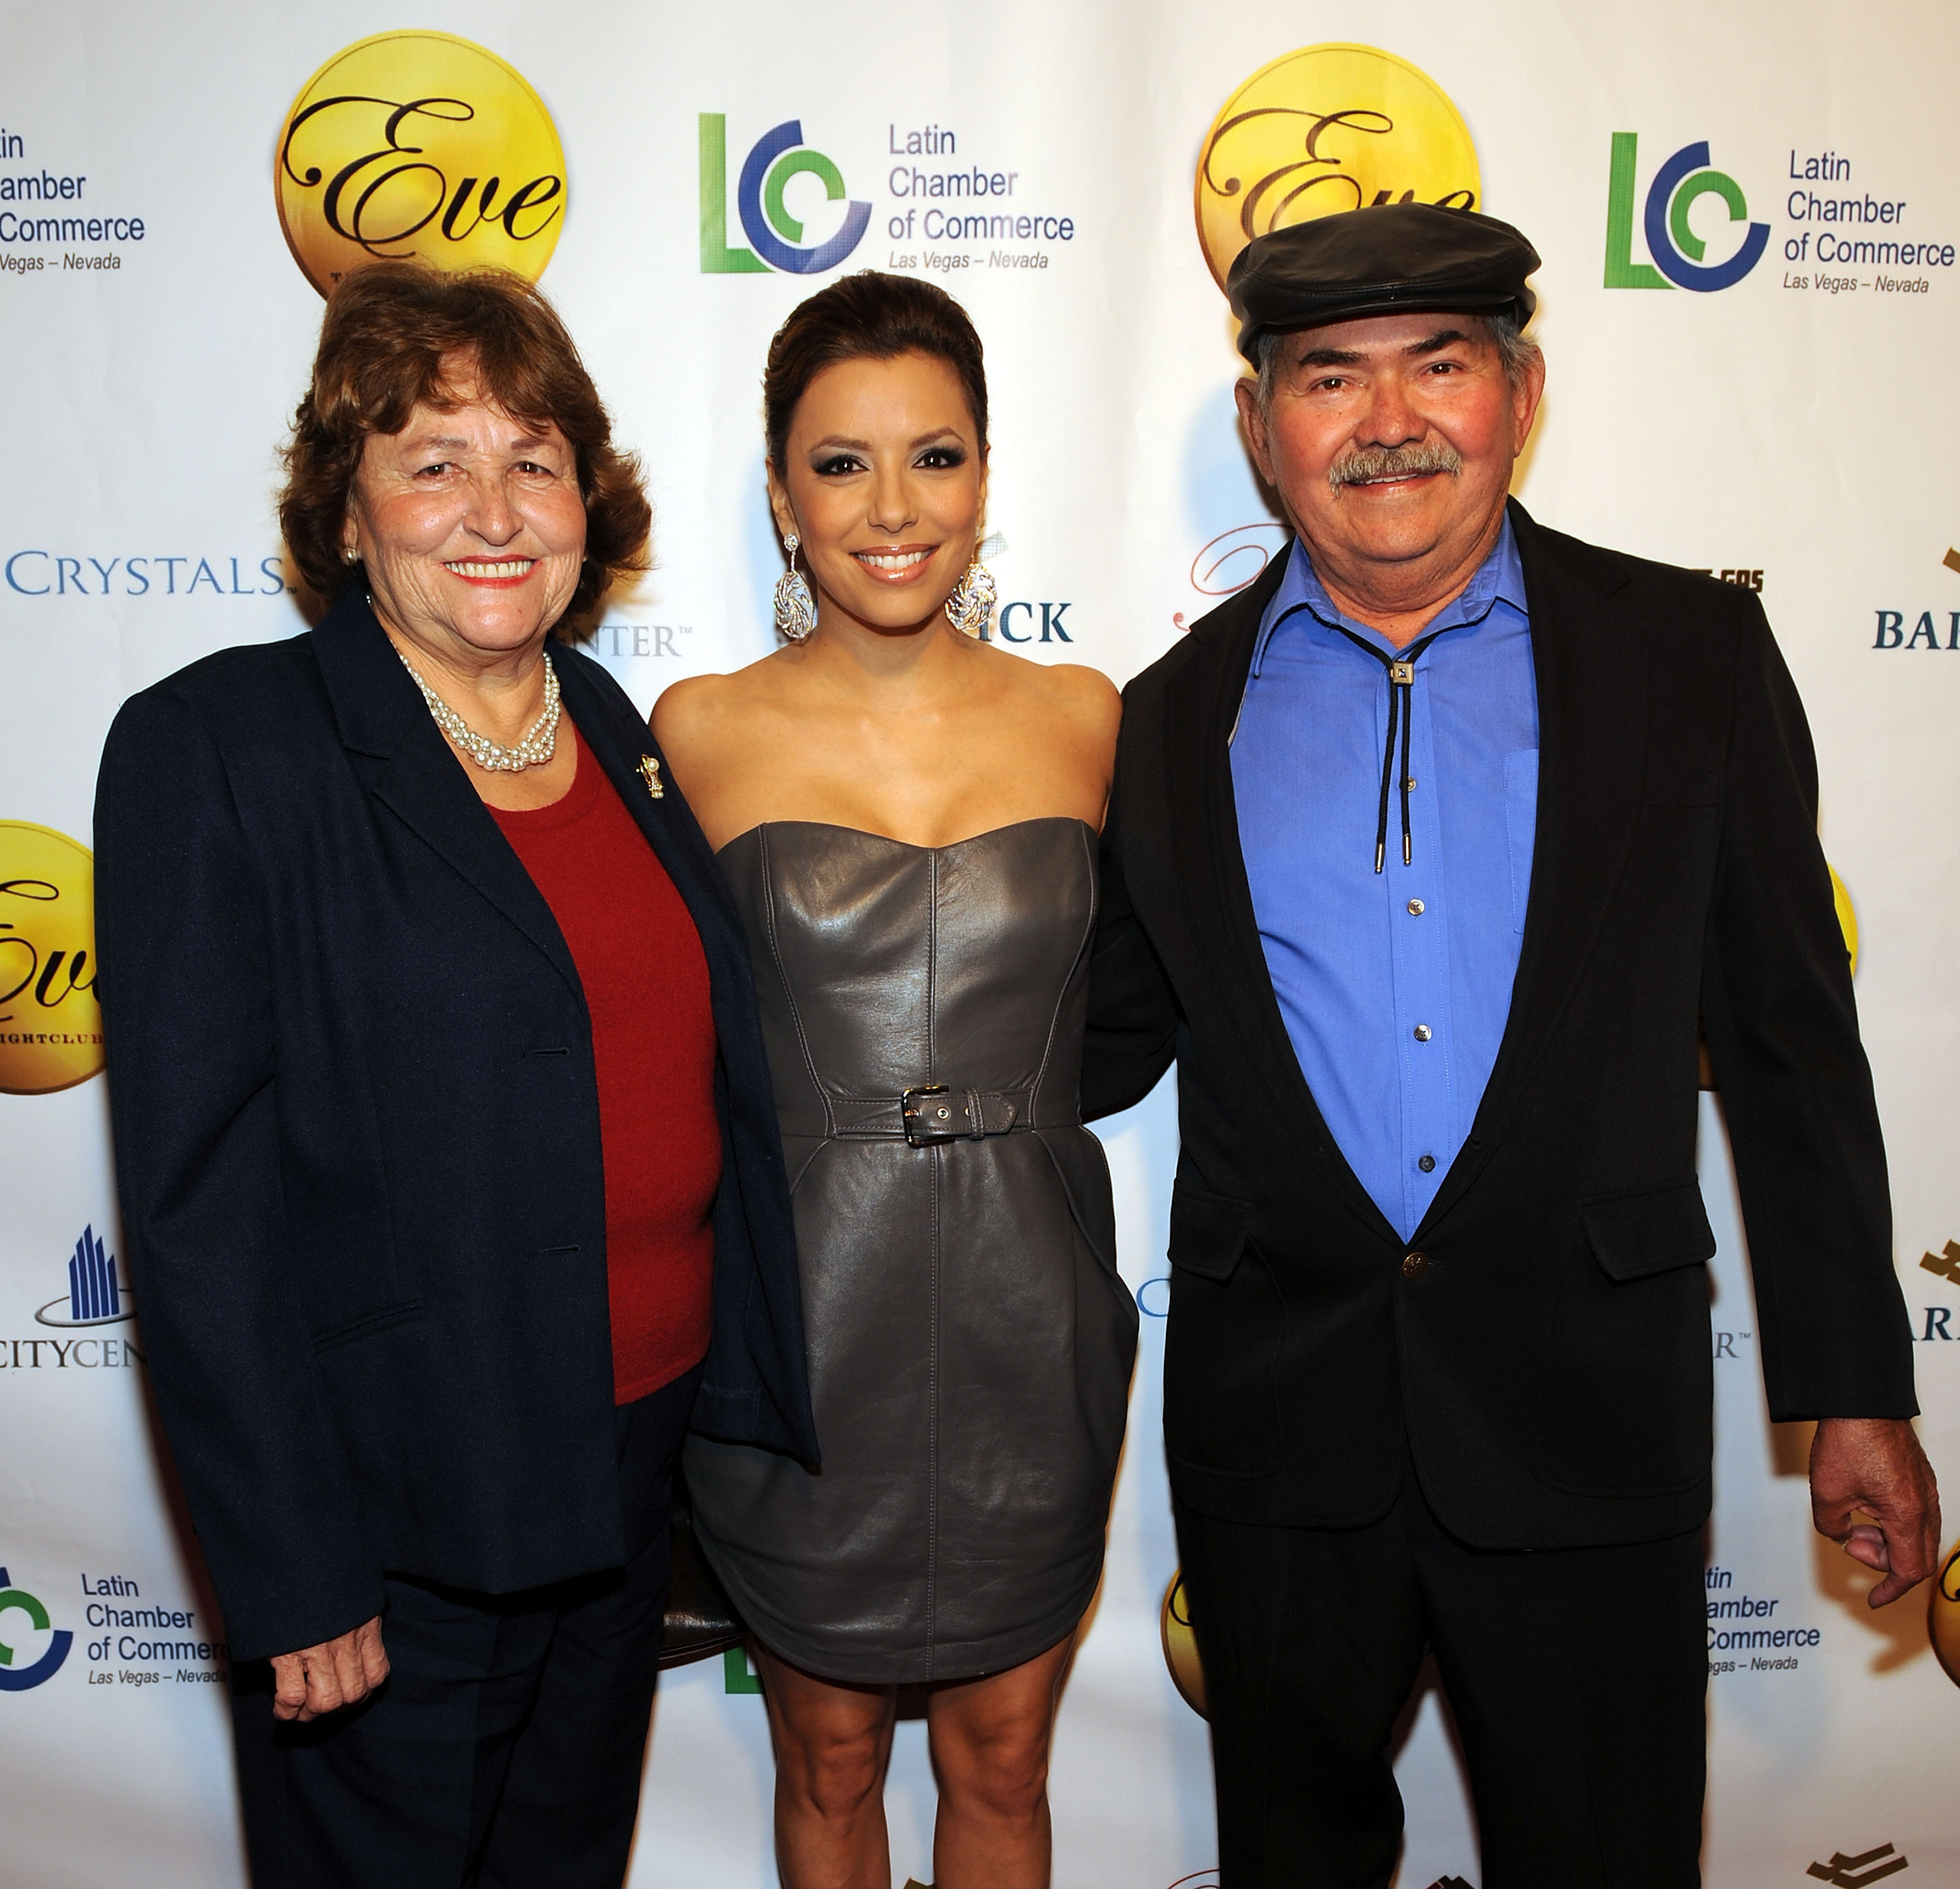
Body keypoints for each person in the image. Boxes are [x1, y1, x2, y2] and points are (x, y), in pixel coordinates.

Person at [1082, 203, 1938, 1888]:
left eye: (1440, 366)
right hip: (1280, 1430)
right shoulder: (1167, 715)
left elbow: (1787, 1042)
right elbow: (1095, 1042)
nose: (1387, 420)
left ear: (1521, 395)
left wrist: (1854, 1391)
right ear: (1262, 427)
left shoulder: (1687, 659)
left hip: (1583, 1408)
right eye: (1329, 377)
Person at [95, 261, 815, 1889]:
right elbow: (198, 1212)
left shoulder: (612, 726)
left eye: (534, 458)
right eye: (431, 460)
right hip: (394, 1526)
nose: (491, 507)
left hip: (621, 1491)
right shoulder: (220, 749)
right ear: (346, 515)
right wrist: (294, 1574)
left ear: (586, 500)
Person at [654, 271, 1136, 1889]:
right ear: (782, 498)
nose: (891, 508)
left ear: (987, 478)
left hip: (1030, 1315)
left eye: (935, 456)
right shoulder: (696, 731)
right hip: (807, 1331)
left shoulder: (1089, 718)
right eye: (840, 462)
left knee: (1004, 1760)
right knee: (833, 1759)